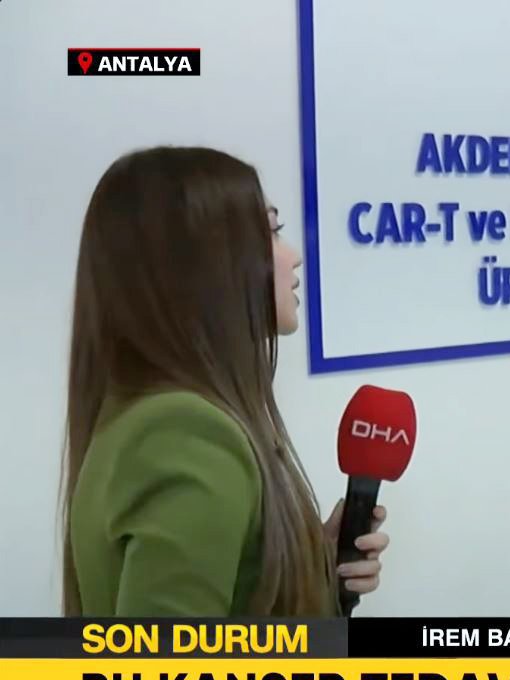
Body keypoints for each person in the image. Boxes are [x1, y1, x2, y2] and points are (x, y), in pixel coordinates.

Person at [62, 146, 390, 616]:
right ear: (202, 262)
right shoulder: (183, 433)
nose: (294, 257)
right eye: (272, 232)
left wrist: (310, 571)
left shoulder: (142, 413)